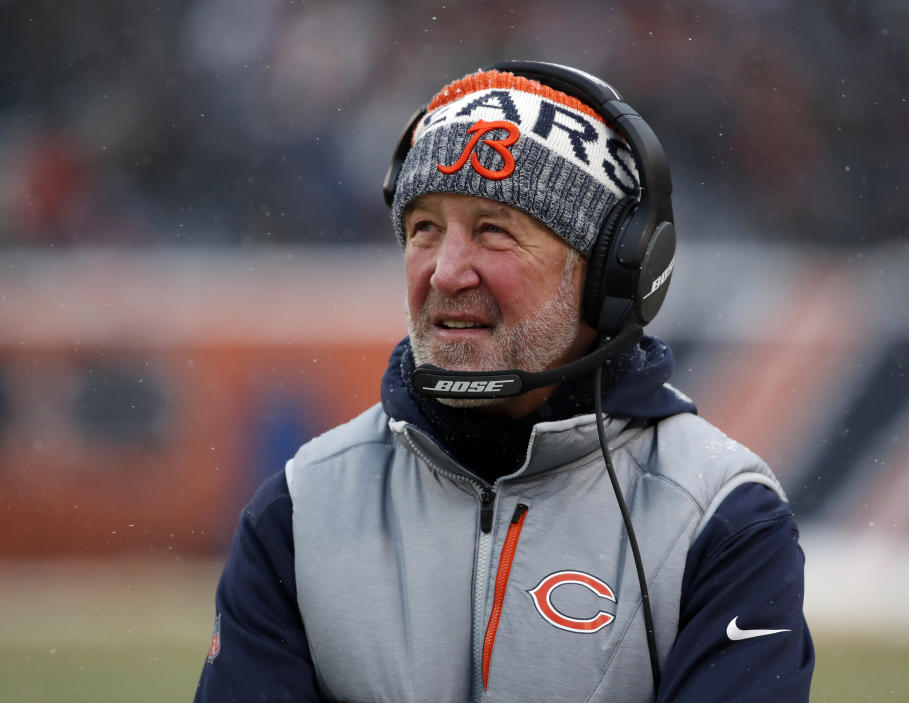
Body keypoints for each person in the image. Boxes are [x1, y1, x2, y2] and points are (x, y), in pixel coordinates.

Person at [194, 61, 814, 702]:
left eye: (493, 230)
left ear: (609, 276)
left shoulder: (723, 519)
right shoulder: (298, 511)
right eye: (423, 229)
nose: (445, 272)